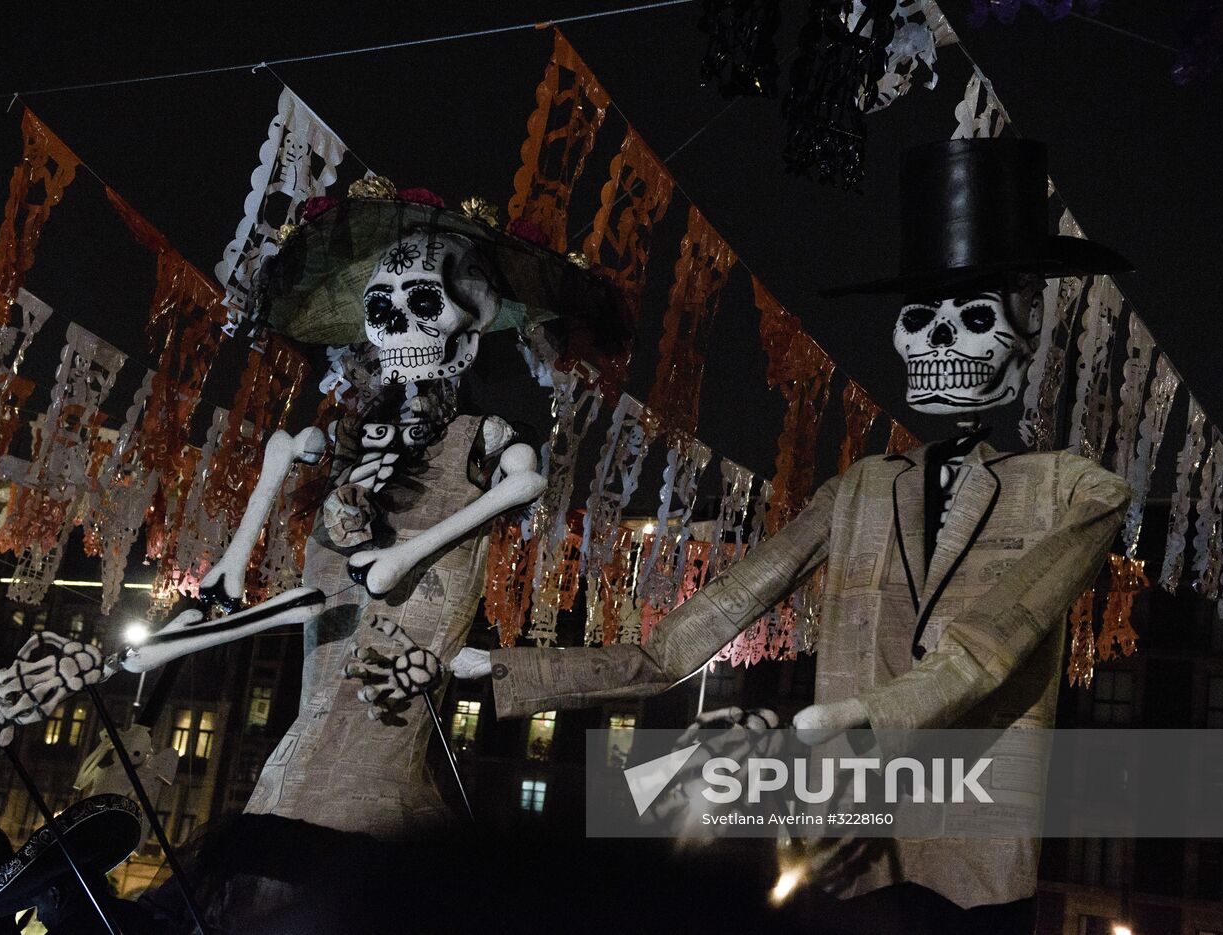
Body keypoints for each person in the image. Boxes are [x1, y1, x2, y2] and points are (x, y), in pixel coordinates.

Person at [446, 138, 1134, 934]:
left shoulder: (1074, 490)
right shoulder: (860, 490)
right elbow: (691, 634)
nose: (939, 342)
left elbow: (996, 641)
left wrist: (863, 715)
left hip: (973, 863)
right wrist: (497, 666)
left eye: (973, 318)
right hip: (849, 852)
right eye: (920, 319)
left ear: (1027, 323)